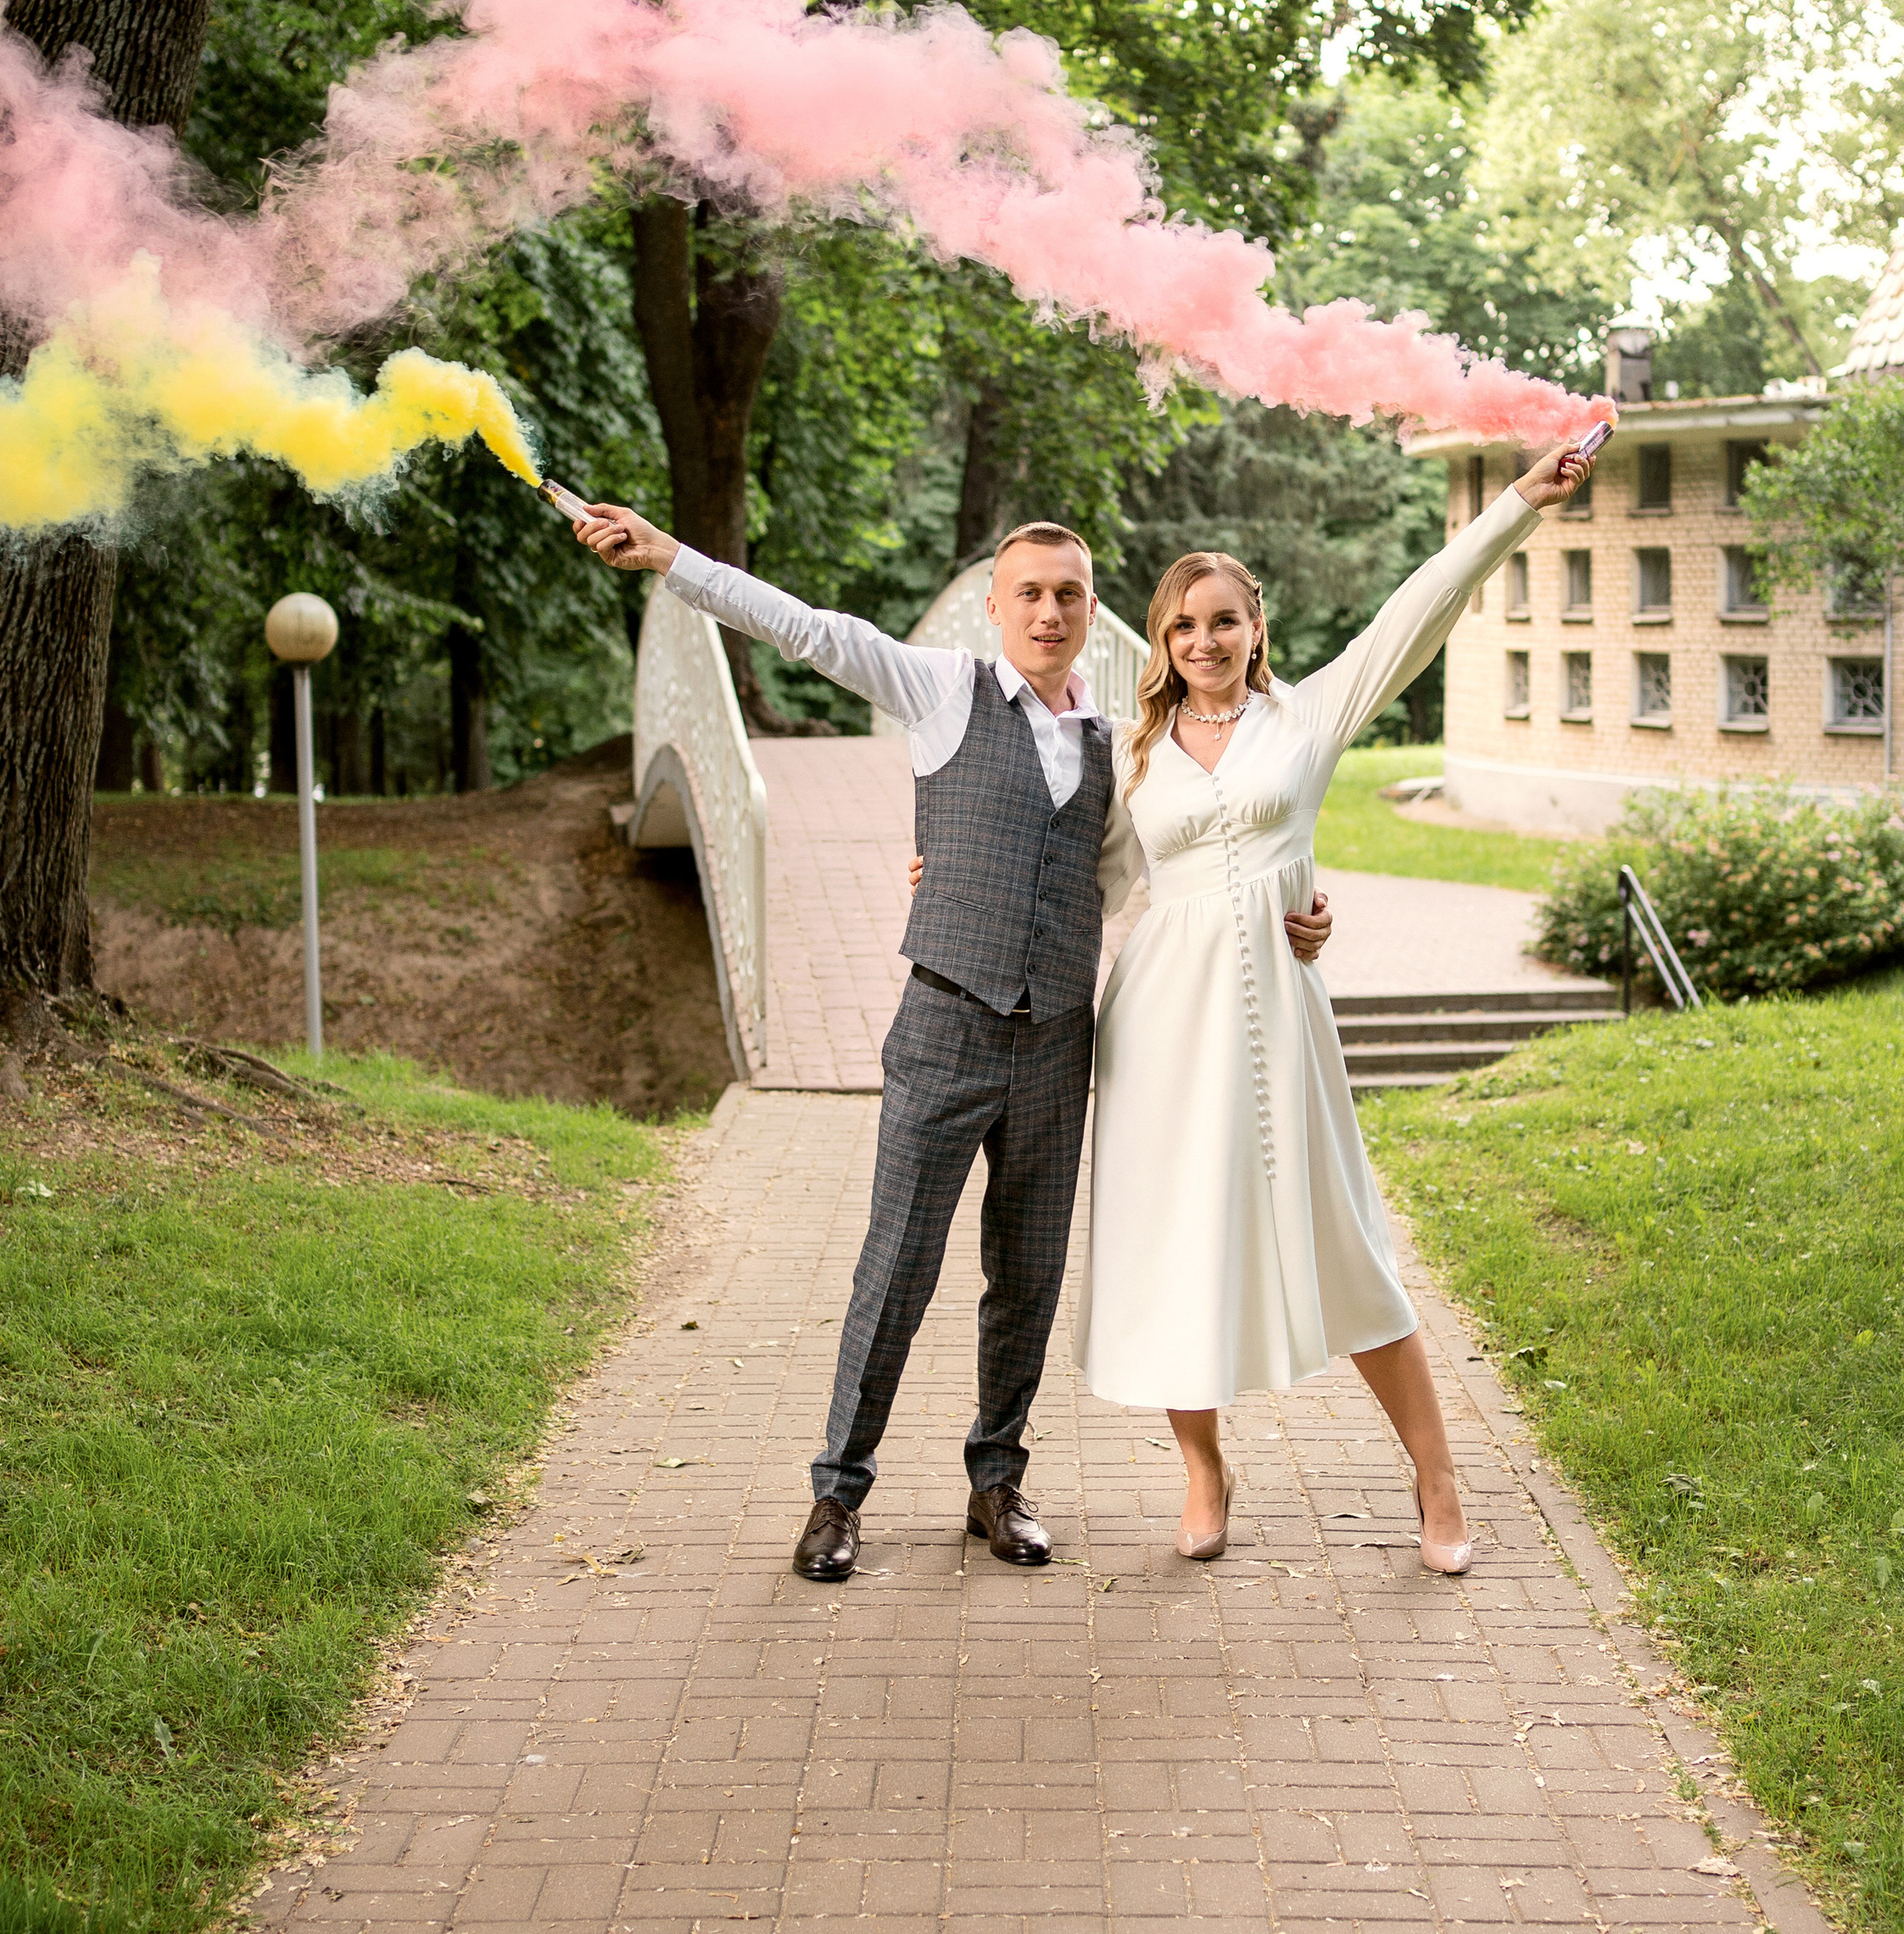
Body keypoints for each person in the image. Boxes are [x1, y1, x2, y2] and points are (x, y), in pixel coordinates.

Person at [569, 503, 1334, 1583]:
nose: (1051, 610)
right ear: (995, 607)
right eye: (1029, 592)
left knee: (1026, 1275)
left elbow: (1185, 859)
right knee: (898, 1265)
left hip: (1061, 1039)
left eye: (1070, 593)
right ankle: (838, 1494)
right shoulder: (941, 689)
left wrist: (1306, 908)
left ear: (1094, 609)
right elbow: (810, 629)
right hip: (944, 1022)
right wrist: (674, 558)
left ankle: (996, 1478)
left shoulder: (1124, 745)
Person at [1075, 429, 1605, 1574]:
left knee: (1349, 1249)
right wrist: (942, 865)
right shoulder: (1132, 754)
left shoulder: (1306, 721)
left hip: (1276, 1024)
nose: (1203, 639)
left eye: (1222, 617)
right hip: (1159, 1029)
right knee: (1172, 1250)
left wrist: (1519, 501)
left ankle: (1439, 1476)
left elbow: (1420, 608)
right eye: (1182, 623)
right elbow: (1098, 881)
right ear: (1162, 641)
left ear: (1256, 624)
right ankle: (1204, 1468)